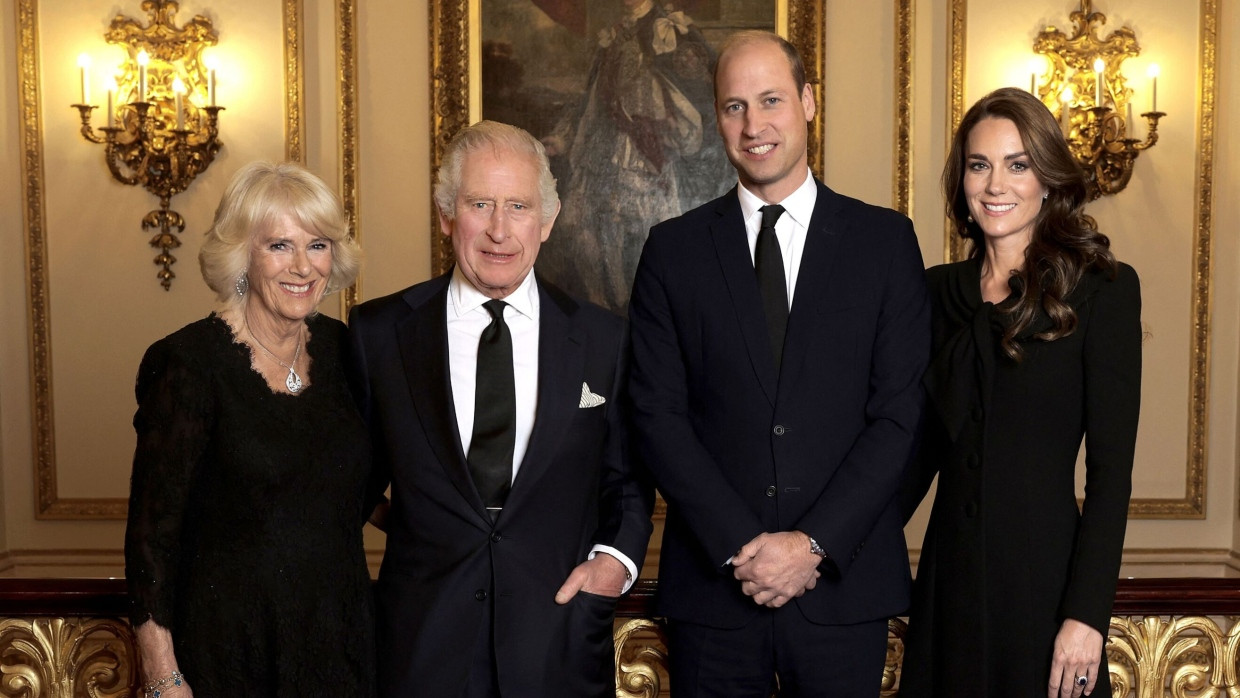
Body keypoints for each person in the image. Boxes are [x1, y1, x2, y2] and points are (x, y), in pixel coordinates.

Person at [627, 30, 931, 696]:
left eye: (770, 100)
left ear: (809, 102)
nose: (753, 124)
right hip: (715, 594)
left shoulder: (884, 243)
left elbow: (900, 416)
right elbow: (656, 416)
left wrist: (811, 545)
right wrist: (745, 547)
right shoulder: (673, 252)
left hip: (842, 591)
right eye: (734, 106)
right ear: (717, 119)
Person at [346, 120, 654, 697]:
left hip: (556, 637)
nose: (498, 229)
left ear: (547, 220)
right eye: (479, 203)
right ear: (445, 215)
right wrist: (415, 524)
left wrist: (612, 565)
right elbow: (345, 476)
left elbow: (628, 481)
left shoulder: (603, 339)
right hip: (421, 643)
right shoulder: (379, 333)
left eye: (518, 206)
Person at [899, 87, 1141, 698]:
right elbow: (913, 456)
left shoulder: (1103, 289)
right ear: (962, 180)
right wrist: (830, 551)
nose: (995, 184)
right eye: (979, 165)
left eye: (1017, 164)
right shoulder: (933, 294)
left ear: (1048, 177)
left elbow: (1112, 477)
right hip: (947, 589)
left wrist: (1086, 618)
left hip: (1046, 595)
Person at [125, 161, 373, 696]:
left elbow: (355, 487)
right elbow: (152, 538)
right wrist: (164, 677)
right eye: (280, 246)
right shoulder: (188, 364)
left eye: (318, 245)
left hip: (340, 645)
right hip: (226, 650)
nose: (303, 267)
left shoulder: (347, 351)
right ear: (241, 256)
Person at [540, 0, 731, 311]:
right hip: (601, 149)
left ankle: (643, 311)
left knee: (646, 232)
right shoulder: (610, 36)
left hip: (648, 150)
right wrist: (562, 137)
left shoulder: (671, 30)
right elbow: (589, 99)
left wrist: (674, 123)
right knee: (578, 223)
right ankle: (603, 309)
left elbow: (702, 91)